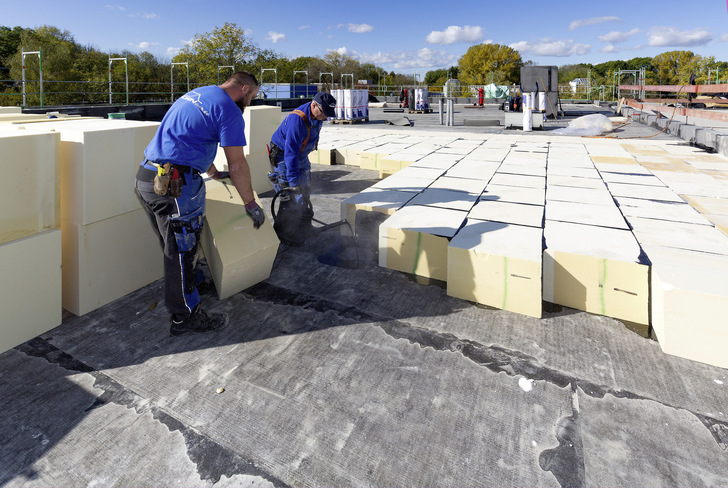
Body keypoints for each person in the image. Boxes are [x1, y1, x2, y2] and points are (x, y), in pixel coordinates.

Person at [134, 71, 265, 336]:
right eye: (251, 97)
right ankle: (185, 317)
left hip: (147, 178)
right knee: (183, 252)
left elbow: (190, 138)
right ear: (243, 90)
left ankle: (189, 282)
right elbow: (238, 162)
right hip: (175, 186)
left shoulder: (199, 94)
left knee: (173, 246)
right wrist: (250, 203)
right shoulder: (229, 110)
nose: (249, 103)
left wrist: (213, 172)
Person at [267, 91, 336, 245]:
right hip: (284, 158)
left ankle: (304, 227)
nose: (325, 118)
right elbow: (290, 154)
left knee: (304, 192)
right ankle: (285, 235)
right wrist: (292, 183)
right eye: (324, 113)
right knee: (289, 197)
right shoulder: (297, 120)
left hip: (301, 156)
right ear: (314, 105)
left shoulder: (317, 115)